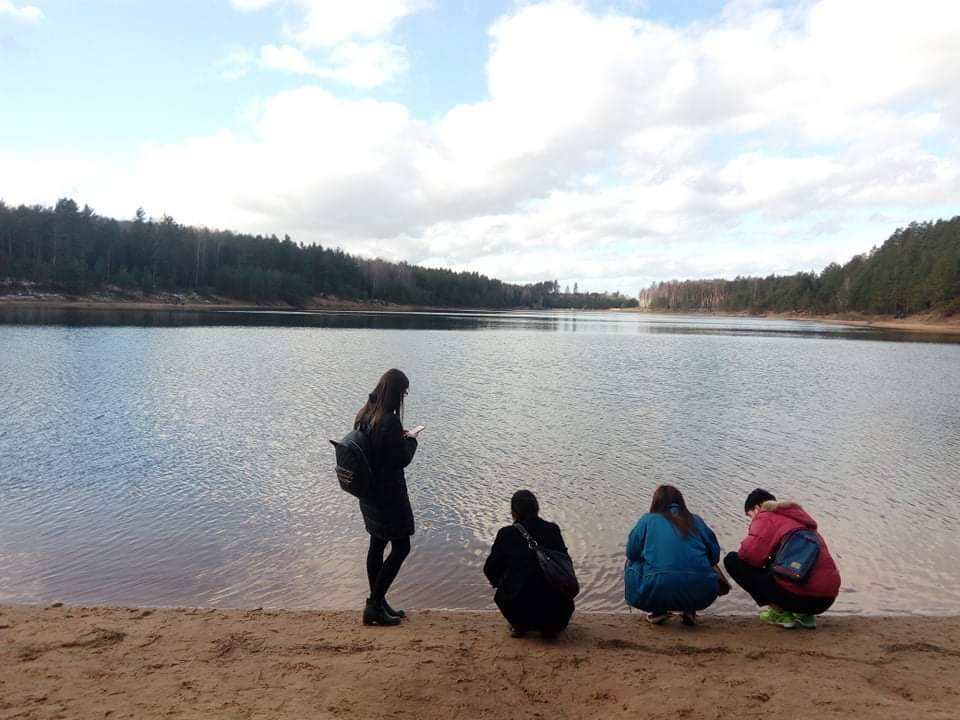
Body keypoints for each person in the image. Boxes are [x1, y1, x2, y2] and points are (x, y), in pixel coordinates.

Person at [354, 369, 421, 626]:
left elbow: (377, 451)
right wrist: (412, 440)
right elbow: (400, 459)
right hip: (388, 496)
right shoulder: (389, 421)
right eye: (403, 392)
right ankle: (373, 605)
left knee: (377, 544)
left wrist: (398, 439)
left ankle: (379, 602)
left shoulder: (365, 414)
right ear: (395, 392)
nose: (404, 397)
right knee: (401, 547)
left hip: (369, 494)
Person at [724, 489, 841, 630]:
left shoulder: (766, 516)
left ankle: (780, 613)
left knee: (732, 560)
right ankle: (805, 616)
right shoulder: (801, 520)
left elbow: (748, 556)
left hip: (799, 598)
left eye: (750, 516)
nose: (752, 521)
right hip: (827, 599)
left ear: (756, 508)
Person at [624, 485, 726, 625]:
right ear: (680, 502)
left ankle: (657, 610)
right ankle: (690, 609)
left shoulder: (647, 520)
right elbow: (714, 556)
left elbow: (631, 552)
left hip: (657, 589)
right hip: (703, 593)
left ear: (655, 502)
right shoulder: (696, 520)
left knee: (631, 562)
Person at [483, 490, 575, 638]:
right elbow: (566, 563)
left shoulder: (506, 534)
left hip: (519, 613)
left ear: (514, 512)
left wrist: (502, 582)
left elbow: (490, 569)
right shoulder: (552, 530)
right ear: (537, 508)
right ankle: (548, 627)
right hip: (557, 616)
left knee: (509, 584)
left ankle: (519, 625)